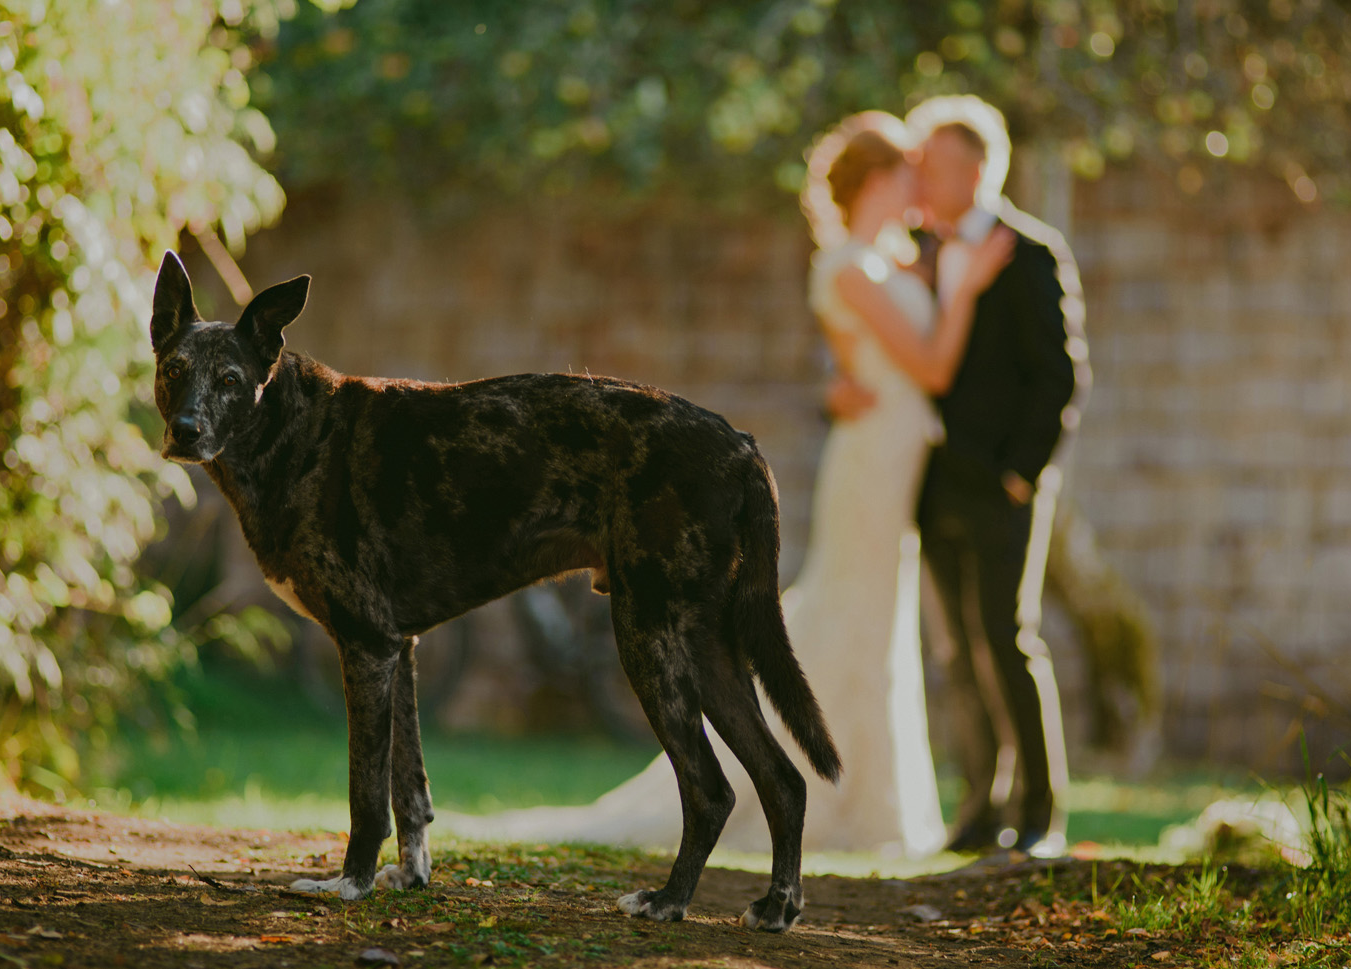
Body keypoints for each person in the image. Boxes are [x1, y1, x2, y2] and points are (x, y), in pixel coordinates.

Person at [443, 111, 1016, 856]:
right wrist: (966, 291)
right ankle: (830, 791)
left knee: (876, 616)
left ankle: (869, 793)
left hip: (897, 452)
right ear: (880, 179)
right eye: (910, 171)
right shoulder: (848, 264)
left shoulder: (893, 260)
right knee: (852, 612)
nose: (922, 187)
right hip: (873, 460)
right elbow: (931, 366)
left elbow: (867, 356)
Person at [900, 95, 1087, 858]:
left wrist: (1021, 471)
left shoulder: (1032, 251)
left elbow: (1060, 375)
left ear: (978, 169)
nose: (923, 179)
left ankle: (1040, 813)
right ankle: (978, 807)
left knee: (1008, 641)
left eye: (934, 165)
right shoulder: (914, 247)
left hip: (1003, 486)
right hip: (933, 485)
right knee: (953, 653)